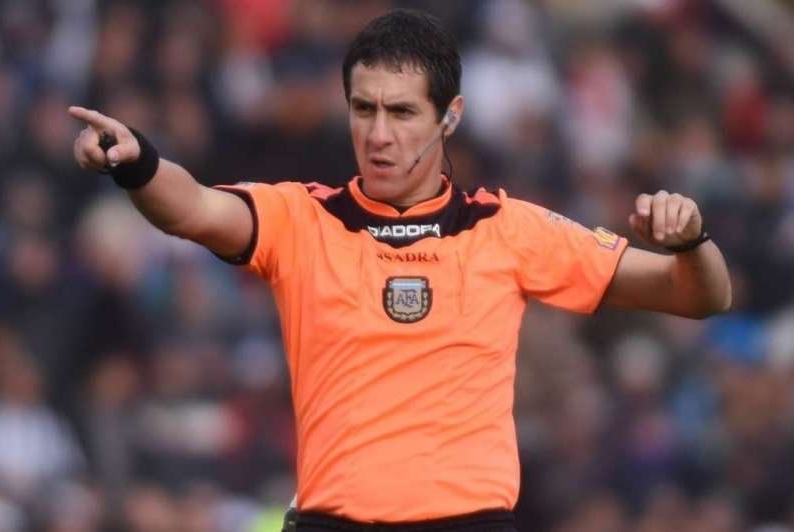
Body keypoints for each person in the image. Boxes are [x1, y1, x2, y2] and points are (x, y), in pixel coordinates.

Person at [69, 9, 731, 532]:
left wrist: (692, 242)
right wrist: (137, 163)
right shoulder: (301, 219)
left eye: (402, 112)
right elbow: (190, 208)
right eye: (364, 109)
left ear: (450, 117)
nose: (378, 135)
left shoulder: (506, 228)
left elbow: (697, 295)